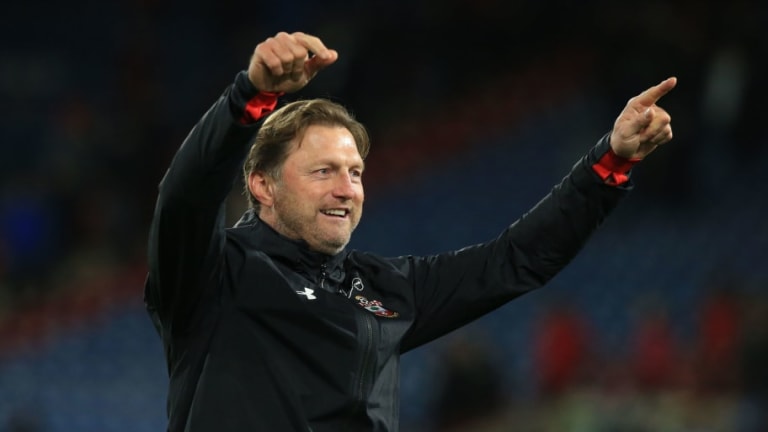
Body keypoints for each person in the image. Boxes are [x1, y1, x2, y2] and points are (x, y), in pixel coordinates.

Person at [145, 31, 676, 432]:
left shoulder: (386, 289)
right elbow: (184, 198)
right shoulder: (214, 273)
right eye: (323, 171)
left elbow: (514, 260)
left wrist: (609, 164)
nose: (347, 190)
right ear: (262, 185)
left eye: (355, 173)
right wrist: (250, 96)